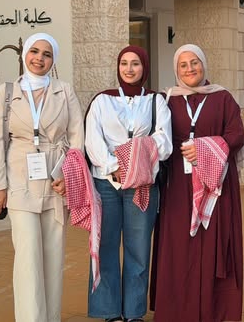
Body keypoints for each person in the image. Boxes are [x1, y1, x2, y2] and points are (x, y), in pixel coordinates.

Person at [0, 33, 84, 322]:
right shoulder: (5, 92)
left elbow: (77, 140)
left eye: (47, 54)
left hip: (56, 182)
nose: (39, 58)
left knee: (53, 258)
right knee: (28, 259)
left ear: (53, 60)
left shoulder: (65, 91)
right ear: (25, 54)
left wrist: (69, 176)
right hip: (19, 180)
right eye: (34, 51)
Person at [151, 44, 244, 322]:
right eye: (183, 65)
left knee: (213, 240)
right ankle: (178, 309)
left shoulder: (222, 98)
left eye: (195, 62)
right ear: (176, 70)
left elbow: (236, 136)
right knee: (180, 244)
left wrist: (204, 149)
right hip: (178, 186)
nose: (190, 69)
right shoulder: (167, 100)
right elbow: (157, 137)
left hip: (216, 184)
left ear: (203, 64)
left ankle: (215, 308)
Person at [85, 45, 172, 322]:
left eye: (135, 63)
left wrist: (135, 164)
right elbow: (92, 141)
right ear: (118, 66)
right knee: (106, 246)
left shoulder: (156, 101)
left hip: (142, 183)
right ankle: (109, 311)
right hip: (106, 184)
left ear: (144, 67)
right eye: (124, 63)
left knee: (138, 249)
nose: (129, 69)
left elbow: (164, 142)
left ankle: (134, 313)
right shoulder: (102, 100)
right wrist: (116, 167)